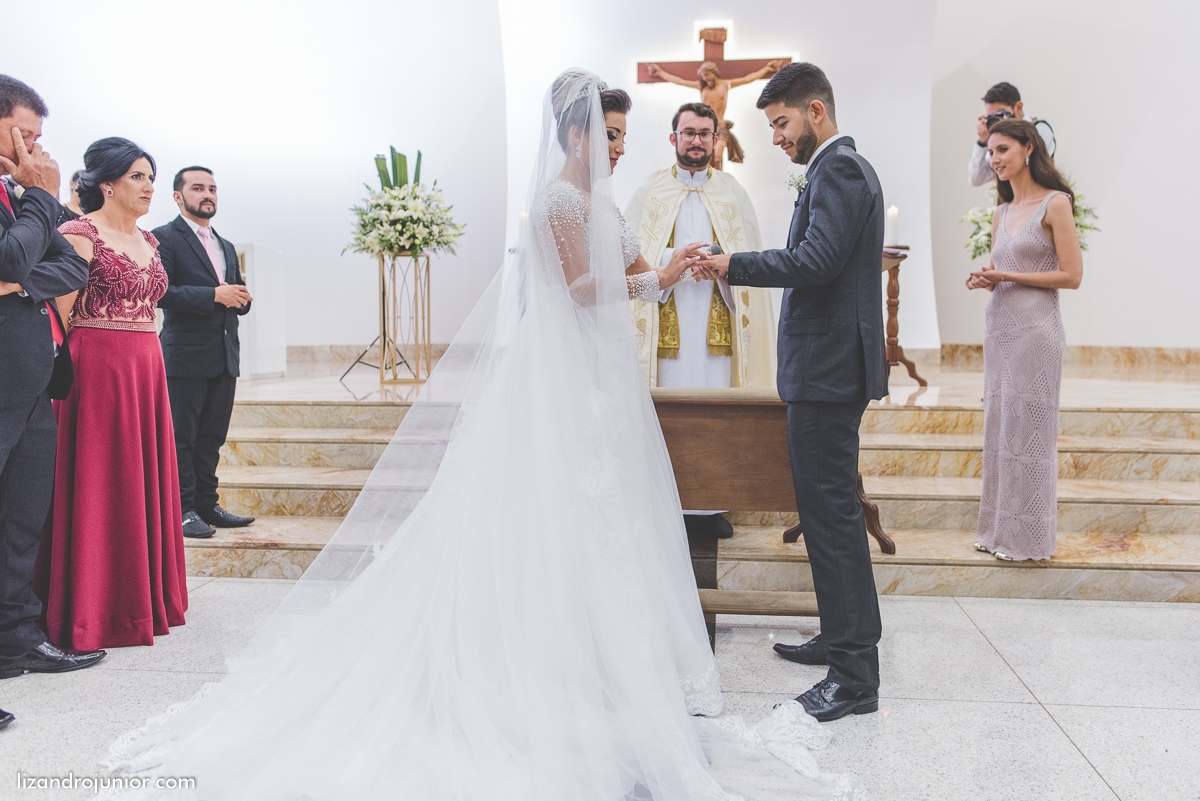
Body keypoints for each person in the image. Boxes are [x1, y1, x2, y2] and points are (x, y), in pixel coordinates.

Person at [101, 71, 864, 801]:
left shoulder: (605, 201)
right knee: (551, 507)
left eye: (625, 135)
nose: (620, 148)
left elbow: (633, 262)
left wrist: (678, 265)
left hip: (606, 376)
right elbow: (580, 289)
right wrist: (658, 281)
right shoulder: (559, 200)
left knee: (609, 515)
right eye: (610, 133)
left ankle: (607, 663)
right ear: (574, 132)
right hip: (559, 375)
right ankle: (539, 661)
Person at [695, 62, 887, 722]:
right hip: (830, 368)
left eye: (780, 123)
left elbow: (815, 263)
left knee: (832, 521)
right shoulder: (844, 170)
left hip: (829, 373)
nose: (776, 136)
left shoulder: (838, 169)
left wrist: (731, 264)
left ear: (816, 110)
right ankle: (840, 640)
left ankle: (855, 674)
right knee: (828, 514)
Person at [37, 137, 188, 651]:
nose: (148, 187)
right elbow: (60, 314)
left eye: (150, 177)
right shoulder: (79, 233)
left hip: (146, 365)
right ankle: (89, 609)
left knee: (140, 477)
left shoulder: (151, 241)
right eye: (137, 178)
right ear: (107, 184)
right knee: (100, 479)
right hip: (96, 368)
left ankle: (140, 600)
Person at [0, 76, 103, 726]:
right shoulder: (30, 194)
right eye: (25, 134)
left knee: (20, 523)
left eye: (40, 138)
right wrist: (39, 200)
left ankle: (15, 640)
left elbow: (71, 267)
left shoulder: (16, 195)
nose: (36, 149)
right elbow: (13, 257)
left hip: (34, 379)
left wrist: (14, 276)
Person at [625, 101, 776, 539]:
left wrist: (725, 271)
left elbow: (750, 269)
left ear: (716, 140)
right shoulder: (648, 194)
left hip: (718, 322)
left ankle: (711, 506)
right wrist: (669, 273)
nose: (696, 140)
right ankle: (665, 503)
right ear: (673, 138)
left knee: (715, 412)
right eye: (688, 132)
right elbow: (632, 267)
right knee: (669, 413)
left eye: (704, 134)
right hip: (664, 326)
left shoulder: (733, 192)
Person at [966, 118, 1082, 561]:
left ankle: (1027, 538)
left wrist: (1006, 275)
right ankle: (996, 531)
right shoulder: (999, 211)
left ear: (1027, 148)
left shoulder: (1055, 204)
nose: (994, 160)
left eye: (1002, 150)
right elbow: (1005, 274)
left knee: (1029, 433)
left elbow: (1071, 276)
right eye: (990, 152)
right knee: (1000, 430)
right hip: (1000, 331)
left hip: (1037, 333)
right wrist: (988, 281)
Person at [154, 167, 254, 538]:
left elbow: (236, 291)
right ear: (178, 196)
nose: (207, 194)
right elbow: (160, 293)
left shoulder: (225, 245)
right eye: (198, 188)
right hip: (184, 357)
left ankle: (208, 505)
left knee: (213, 436)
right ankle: (183, 510)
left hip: (224, 355)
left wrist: (240, 298)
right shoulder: (164, 238)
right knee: (182, 438)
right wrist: (215, 295)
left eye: (212, 188)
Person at [646, 59, 784, 169]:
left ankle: (719, 185)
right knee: (707, 160)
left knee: (717, 157)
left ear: (714, 72)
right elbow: (679, 81)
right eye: (703, 77)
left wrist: (767, 69)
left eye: (707, 75)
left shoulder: (725, 84)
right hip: (706, 129)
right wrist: (659, 72)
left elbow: (748, 78)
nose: (706, 79)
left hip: (721, 127)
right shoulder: (702, 87)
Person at [969, 82, 1056, 187]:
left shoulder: (1040, 128)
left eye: (1000, 114)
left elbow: (1033, 166)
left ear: (1018, 107)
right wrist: (982, 142)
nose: (998, 121)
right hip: (1011, 201)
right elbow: (976, 179)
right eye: (991, 117)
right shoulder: (996, 141)